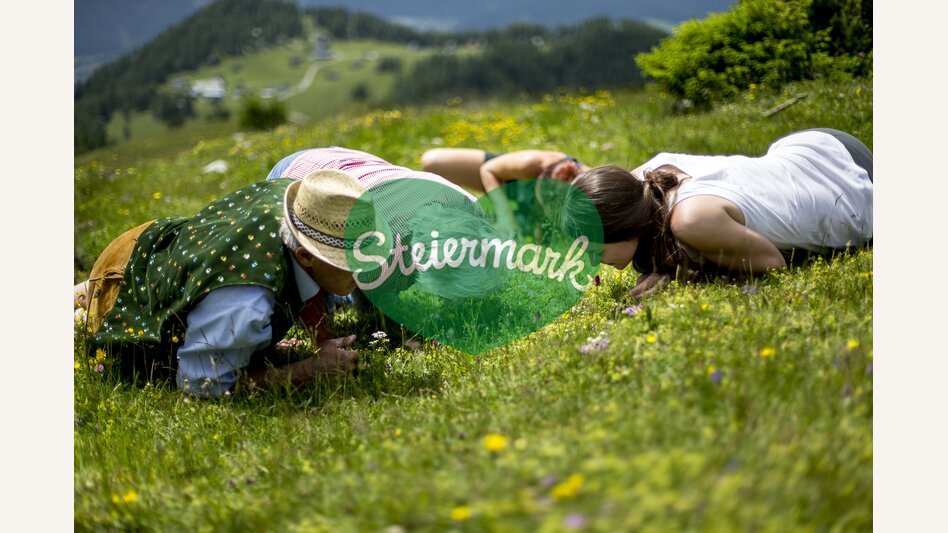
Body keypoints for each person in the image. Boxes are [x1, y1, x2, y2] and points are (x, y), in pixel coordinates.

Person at [75, 169, 376, 397]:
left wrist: (284, 347)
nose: (366, 269)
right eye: (346, 261)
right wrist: (308, 371)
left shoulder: (302, 206)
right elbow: (201, 385)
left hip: (159, 248)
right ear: (305, 255)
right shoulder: (245, 302)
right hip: (123, 286)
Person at [568, 128, 873, 298]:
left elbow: (773, 264)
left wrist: (677, 280)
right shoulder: (645, 182)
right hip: (813, 144)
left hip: (849, 186)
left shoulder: (692, 220)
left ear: (625, 225)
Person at [419, 148, 586, 238]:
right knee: (432, 161)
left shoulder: (589, 189)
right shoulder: (532, 164)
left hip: (545, 216)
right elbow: (488, 169)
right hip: (508, 181)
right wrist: (505, 214)